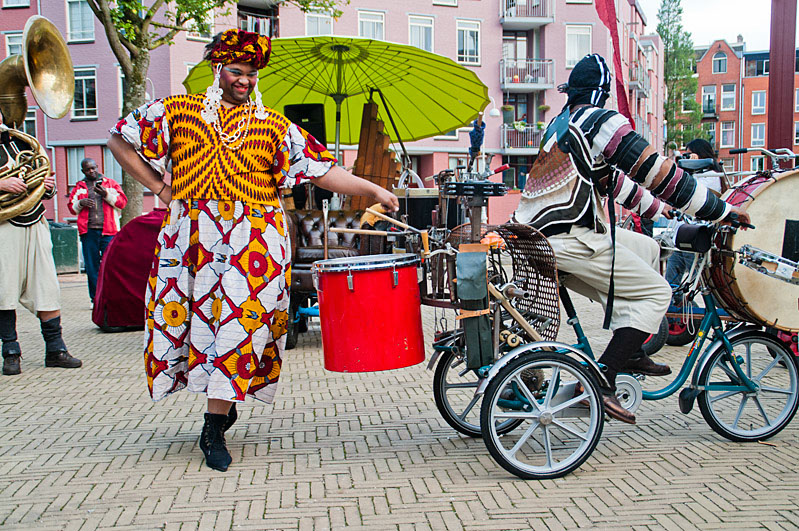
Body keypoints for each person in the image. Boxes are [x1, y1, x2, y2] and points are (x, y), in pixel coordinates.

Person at [107, 29, 398, 472]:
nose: (244, 80)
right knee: (197, 326)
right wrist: (160, 188)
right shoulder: (177, 112)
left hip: (255, 243)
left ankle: (211, 424)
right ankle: (220, 407)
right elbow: (119, 139)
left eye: (251, 74)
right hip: (193, 241)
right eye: (237, 71)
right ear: (217, 70)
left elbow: (324, 171)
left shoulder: (273, 126)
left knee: (239, 329)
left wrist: (374, 187)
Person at [512, 54, 749, 425]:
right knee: (657, 293)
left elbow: (614, 182)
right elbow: (657, 172)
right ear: (601, 94)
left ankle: (631, 346)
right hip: (569, 238)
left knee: (648, 247)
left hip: (538, 237)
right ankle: (601, 376)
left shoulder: (560, 125)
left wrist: (663, 213)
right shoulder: (598, 121)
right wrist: (719, 210)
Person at [0, 118, 82, 375]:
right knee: (5, 289)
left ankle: (55, 349)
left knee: (47, 286)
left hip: (35, 221)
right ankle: (11, 352)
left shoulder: (20, 142)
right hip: (4, 225)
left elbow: (43, 179)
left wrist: (45, 186)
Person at [665, 138, 725, 289]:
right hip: (681, 234)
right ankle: (674, 308)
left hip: (696, 235)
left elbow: (693, 195)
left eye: (690, 155)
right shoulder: (693, 174)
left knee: (698, 283)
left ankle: (708, 308)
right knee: (671, 282)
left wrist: (691, 169)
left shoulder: (712, 176)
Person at [67, 159, 128, 303]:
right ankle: (96, 299)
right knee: (91, 266)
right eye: (87, 169)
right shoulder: (79, 186)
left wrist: (106, 194)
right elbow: (71, 208)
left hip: (109, 230)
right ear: (83, 171)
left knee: (111, 264)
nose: (91, 171)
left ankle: (111, 296)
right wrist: (80, 203)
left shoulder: (110, 184)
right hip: (88, 232)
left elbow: (122, 203)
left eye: (93, 168)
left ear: (97, 167)